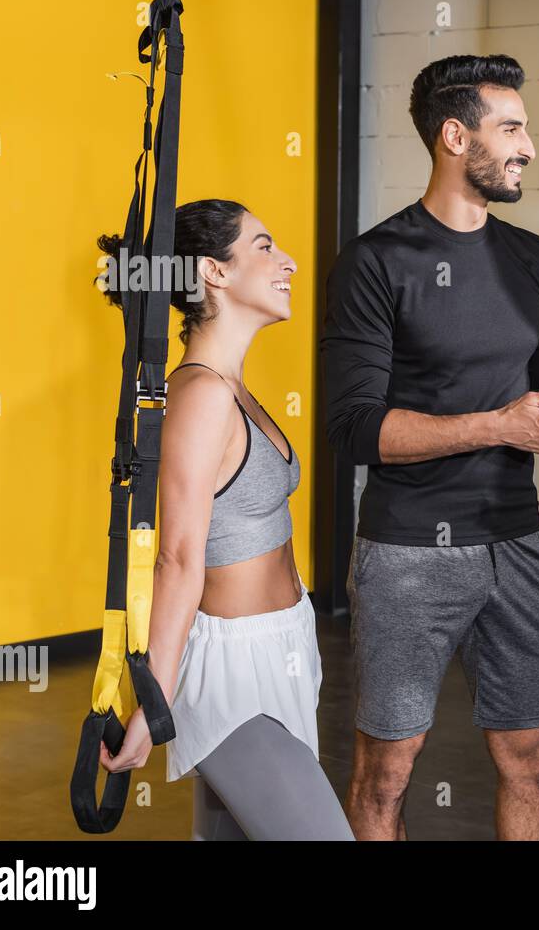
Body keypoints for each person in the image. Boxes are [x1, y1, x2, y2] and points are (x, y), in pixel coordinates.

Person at [321, 54, 539, 841]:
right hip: (407, 554)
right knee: (387, 770)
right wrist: (501, 425)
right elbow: (355, 428)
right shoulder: (375, 262)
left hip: (517, 543)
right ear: (454, 136)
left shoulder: (535, 261)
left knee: (532, 758)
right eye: (512, 128)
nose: (529, 146)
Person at [96, 199, 353, 840]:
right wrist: (152, 704)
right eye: (264, 247)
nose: (288, 261)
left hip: (284, 646)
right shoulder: (204, 396)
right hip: (231, 673)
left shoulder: (232, 385)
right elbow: (179, 559)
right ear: (214, 271)